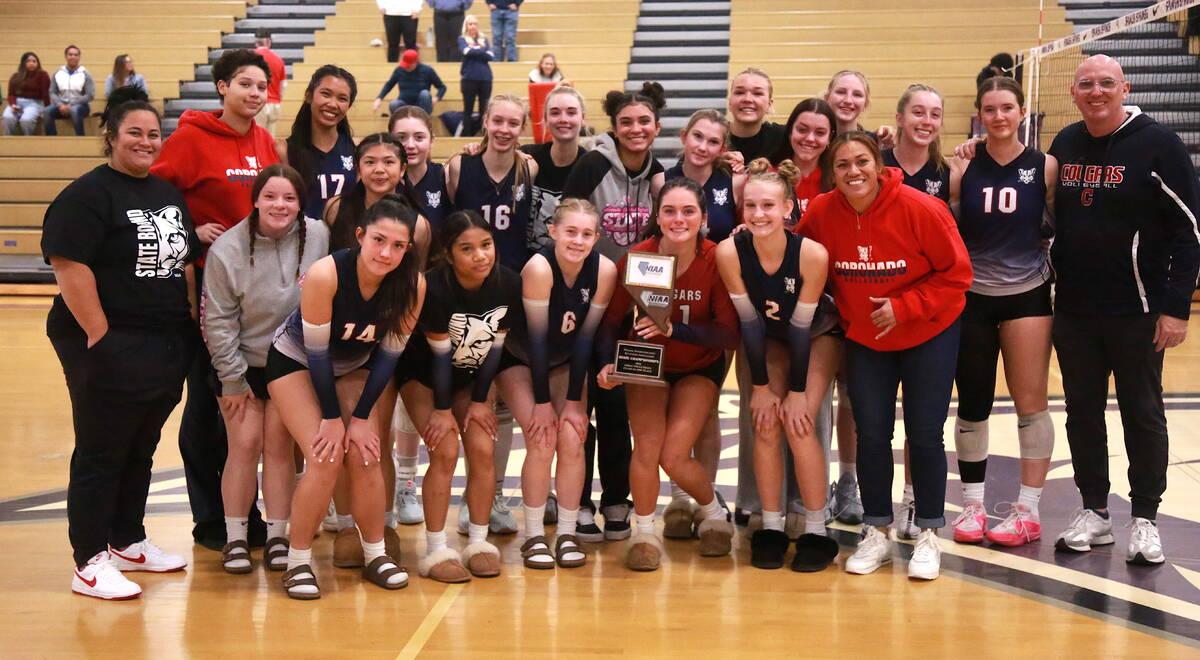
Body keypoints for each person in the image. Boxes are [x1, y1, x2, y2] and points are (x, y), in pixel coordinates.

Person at [43, 87, 198, 600]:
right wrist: (99, 336)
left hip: (162, 339)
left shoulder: (164, 193)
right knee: (101, 450)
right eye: (135, 132)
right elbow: (70, 265)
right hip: (106, 338)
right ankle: (89, 560)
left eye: (154, 134)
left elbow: (183, 261)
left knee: (141, 446)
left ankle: (128, 539)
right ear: (110, 136)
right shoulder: (86, 195)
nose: (146, 142)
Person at [1047, 55, 1199, 565]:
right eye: (1086, 84)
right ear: (1073, 92)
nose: (1096, 92)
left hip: (1138, 310)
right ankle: (1094, 511)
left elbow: (1190, 231)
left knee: (1143, 413)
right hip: (1073, 311)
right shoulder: (1065, 143)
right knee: (1081, 415)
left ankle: (1145, 518)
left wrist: (1176, 308)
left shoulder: (1159, 143)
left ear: (1124, 87)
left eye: (1106, 83)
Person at [799, 131, 972, 580]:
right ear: (831, 173)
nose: (853, 172)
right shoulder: (820, 212)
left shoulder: (921, 208)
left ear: (878, 165)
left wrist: (904, 307)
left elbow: (957, 275)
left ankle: (929, 533)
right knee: (871, 432)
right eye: (842, 165)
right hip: (865, 339)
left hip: (928, 332)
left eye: (861, 162)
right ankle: (877, 531)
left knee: (925, 432)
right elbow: (798, 258)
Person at [151, 48, 279, 550]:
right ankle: (211, 519)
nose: (253, 93)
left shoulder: (266, 141)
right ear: (222, 87)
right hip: (208, 293)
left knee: (246, 411)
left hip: (261, 298)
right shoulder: (189, 139)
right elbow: (149, 198)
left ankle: (243, 514)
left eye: (260, 86)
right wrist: (189, 227)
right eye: (244, 83)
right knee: (209, 408)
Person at [270, 194, 424, 599]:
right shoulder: (326, 274)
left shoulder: (412, 285)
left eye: (397, 245)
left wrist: (360, 417)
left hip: (356, 368)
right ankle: (297, 562)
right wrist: (333, 417)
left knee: (367, 450)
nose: (386, 252)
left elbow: (389, 356)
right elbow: (317, 355)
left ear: (408, 249)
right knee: (324, 454)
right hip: (297, 362)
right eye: (378, 240)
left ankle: (374, 554)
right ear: (360, 236)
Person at [596, 179, 740, 571]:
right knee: (646, 447)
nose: (679, 219)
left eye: (688, 211)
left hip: (697, 364)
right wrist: (606, 364)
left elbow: (729, 333)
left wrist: (678, 331)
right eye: (670, 211)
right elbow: (611, 321)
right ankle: (644, 533)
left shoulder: (715, 259)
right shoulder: (639, 256)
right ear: (657, 217)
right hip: (646, 362)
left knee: (673, 456)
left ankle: (712, 514)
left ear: (704, 218)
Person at [946, 76, 1057, 547]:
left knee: (1031, 403)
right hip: (972, 296)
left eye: (1007, 107)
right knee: (972, 405)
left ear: (1021, 111)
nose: (998, 116)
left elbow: (1060, 224)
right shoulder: (961, 167)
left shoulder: (1046, 166)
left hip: (1028, 292)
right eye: (989, 109)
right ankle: (972, 506)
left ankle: (1027, 511)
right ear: (979, 114)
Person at [203, 165, 331, 574]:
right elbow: (218, 321)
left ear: (300, 203)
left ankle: (278, 536)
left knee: (279, 449)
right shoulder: (227, 250)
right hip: (242, 363)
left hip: (291, 364)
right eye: (271, 197)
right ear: (255, 200)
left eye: (289, 198)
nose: (280, 205)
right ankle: (236, 538)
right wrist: (232, 379)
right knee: (243, 445)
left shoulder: (319, 236)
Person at [717, 159, 840, 571]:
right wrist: (762, 386)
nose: (758, 214)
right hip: (767, 337)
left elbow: (803, 328)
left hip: (816, 336)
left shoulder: (811, 254)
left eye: (768, 206)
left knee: (799, 420)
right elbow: (750, 323)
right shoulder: (730, 252)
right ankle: (770, 527)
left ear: (788, 208)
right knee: (765, 419)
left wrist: (798, 391)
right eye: (750, 206)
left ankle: (816, 531)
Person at [562, 82, 666, 541]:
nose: (636, 128)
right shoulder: (591, 164)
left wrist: (648, 295)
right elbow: (566, 222)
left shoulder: (659, 172)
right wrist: (617, 265)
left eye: (644, 121)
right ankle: (580, 501)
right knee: (583, 403)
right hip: (589, 296)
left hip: (635, 299)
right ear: (615, 128)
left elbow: (661, 240)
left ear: (656, 127)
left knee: (619, 405)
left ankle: (616, 500)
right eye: (627, 122)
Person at [396, 210, 523, 582]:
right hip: (422, 377)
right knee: (446, 449)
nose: (481, 255)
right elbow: (436, 357)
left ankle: (480, 543)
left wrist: (482, 400)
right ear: (449, 255)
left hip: (468, 376)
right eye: (467, 249)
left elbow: (495, 349)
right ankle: (436, 550)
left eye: (486, 245)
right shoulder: (432, 287)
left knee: (482, 447)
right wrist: (441, 410)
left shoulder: (508, 283)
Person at [495, 199, 616, 569]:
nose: (577, 241)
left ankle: (566, 532)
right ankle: (533, 536)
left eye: (586, 234)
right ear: (552, 232)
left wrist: (577, 403)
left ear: (597, 237)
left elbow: (586, 338)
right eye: (570, 232)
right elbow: (536, 340)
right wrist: (544, 402)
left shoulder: (605, 270)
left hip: (564, 360)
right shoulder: (539, 267)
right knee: (541, 435)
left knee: (573, 435)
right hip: (519, 358)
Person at [447, 94, 537, 270]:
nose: (504, 130)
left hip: (513, 276)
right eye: (497, 121)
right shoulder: (459, 166)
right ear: (486, 121)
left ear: (523, 127)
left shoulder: (530, 168)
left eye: (513, 123)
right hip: (467, 275)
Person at [279, 65, 359, 221]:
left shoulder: (357, 150)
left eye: (342, 98)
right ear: (309, 96)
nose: (333, 104)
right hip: (302, 241)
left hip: (345, 241)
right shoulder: (284, 150)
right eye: (325, 94)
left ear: (348, 106)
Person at [522, 85, 587, 250]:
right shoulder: (527, 155)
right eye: (555, 112)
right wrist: (474, 149)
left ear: (583, 118)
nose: (563, 119)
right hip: (527, 263)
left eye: (571, 112)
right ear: (545, 118)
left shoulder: (591, 164)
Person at [665, 109, 740, 244]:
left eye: (713, 142)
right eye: (698, 136)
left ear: (722, 149)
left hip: (720, 263)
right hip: (675, 262)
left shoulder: (735, 183)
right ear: (684, 136)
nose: (702, 147)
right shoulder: (660, 182)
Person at [882, 84, 949, 203]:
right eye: (918, 112)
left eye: (935, 115)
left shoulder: (948, 172)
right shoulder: (877, 164)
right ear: (900, 119)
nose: (927, 121)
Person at [391, 106, 452, 230]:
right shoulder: (382, 180)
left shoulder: (445, 176)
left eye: (419, 137)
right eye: (401, 138)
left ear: (431, 141)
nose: (410, 145)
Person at [724, 67, 785, 173]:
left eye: (757, 93)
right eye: (739, 92)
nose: (747, 99)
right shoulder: (714, 137)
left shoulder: (784, 137)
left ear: (769, 104)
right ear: (730, 103)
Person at [823, 70, 893, 148]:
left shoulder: (877, 143)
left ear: (865, 104)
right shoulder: (815, 142)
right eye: (841, 92)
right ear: (827, 98)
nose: (848, 100)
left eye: (857, 95)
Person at [373, 49, 447, 116]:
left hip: (421, 105)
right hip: (404, 104)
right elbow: (389, 85)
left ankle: (424, 121)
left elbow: (442, 87)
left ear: (415, 62)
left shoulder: (427, 70)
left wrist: (437, 97)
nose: (406, 67)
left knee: (425, 93)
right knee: (393, 104)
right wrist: (379, 98)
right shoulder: (399, 70)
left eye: (408, 65)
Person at [44, 45, 95, 136]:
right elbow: (52, 92)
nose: (73, 57)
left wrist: (71, 104)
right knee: (47, 111)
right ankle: (52, 138)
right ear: (66, 56)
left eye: (76, 55)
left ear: (79, 57)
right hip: (61, 106)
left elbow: (90, 95)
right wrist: (60, 105)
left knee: (74, 110)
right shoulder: (58, 73)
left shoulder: (85, 73)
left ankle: (80, 138)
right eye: (70, 54)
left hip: (81, 107)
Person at [458, 15, 494, 136]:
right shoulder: (462, 39)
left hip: (485, 78)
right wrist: (481, 50)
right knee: (468, 109)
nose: (473, 26)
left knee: (484, 110)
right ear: (466, 26)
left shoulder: (484, 39)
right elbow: (465, 51)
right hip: (469, 79)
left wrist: (474, 50)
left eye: (475, 24)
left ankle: (483, 135)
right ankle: (467, 135)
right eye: (470, 24)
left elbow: (491, 56)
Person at [3, 52, 50, 136]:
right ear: (23, 63)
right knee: (7, 117)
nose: (31, 63)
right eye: (28, 61)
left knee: (26, 120)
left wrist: (46, 111)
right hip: (17, 103)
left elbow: (45, 94)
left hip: (34, 103)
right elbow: (11, 94)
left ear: (38, 63)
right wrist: (13, 105)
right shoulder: (16, 76)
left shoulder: (43, 75)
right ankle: (8, 140)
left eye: (34, 61)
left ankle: (27, 140)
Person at [254, 30, 288, 138]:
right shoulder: (279, 60)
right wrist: (278, 99)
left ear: (256, 42)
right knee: (270, 139)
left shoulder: (249, 58)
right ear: (269, 41)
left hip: (257, 102)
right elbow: (284, 85)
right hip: (274, 103)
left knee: (257, 138)